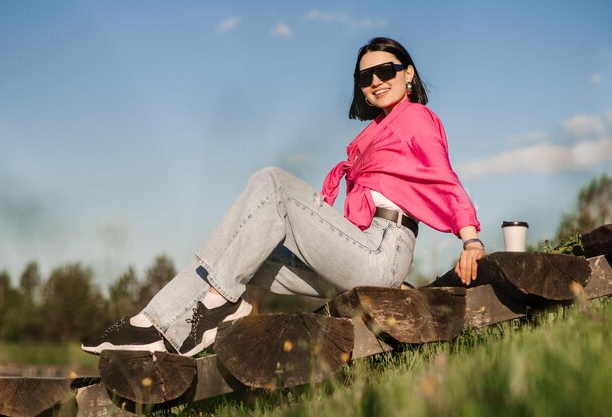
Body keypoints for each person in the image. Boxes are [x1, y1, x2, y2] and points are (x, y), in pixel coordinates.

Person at [82, 37, 485, 357]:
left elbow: (443, 178)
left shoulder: (416, 118)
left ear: (408, 73)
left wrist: (471, 239)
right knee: (235, 246)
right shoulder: (372, 134)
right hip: (355, 252)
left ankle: (216, 308)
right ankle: (154, 326)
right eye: (366, 77)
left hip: (381, 253)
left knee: (272, 181)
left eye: (385, 70)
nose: (376, 81)